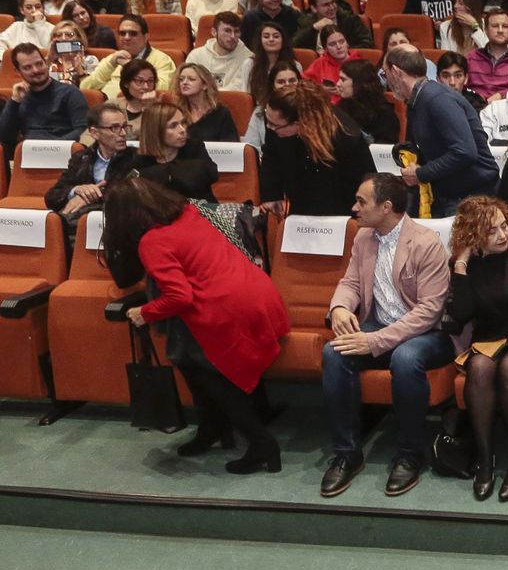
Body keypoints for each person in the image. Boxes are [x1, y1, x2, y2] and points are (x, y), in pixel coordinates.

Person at [107, 178, 288, 474]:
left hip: (226, 307)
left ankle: (261, 444)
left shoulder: (152, 241)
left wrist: (145, 312)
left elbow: (179, 296)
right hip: (255, 293)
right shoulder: (190, 212)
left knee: (209, 373)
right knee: (189, 362)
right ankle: (212, 428)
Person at [320, 173, 455, 498]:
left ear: (387, 206)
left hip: (426, 333)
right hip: (378, 325)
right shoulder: (364, 238)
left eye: (361, 202)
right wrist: (339, 308)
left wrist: (374, 341)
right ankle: (346, 453)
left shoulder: (425, 243)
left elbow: (429, 312)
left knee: (406, 358)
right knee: (333, 352)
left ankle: (410, 455)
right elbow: (351, 283)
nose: (354, 208)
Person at [447, 196, 508, 502]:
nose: (503, 235)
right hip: (488, 338)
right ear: (474, 235)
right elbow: (461, 314)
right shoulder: (470, 265)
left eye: (504, 226)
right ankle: (485, 461)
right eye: (492, 231)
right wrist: (460, 264)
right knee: (479, 366)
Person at [384, 45, 499, 215]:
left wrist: (421, 173)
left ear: (395, 71)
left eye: (385, 73)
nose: (385, 79)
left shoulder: (438, 99)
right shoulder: (417, 100)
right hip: (451, 192)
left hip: (475, 197)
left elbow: (465, 151)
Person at [259, 82, 376, 216]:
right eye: (267, 119)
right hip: (299, 202)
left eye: (274, 125)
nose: (269, 127)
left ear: (300, 123)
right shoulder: (276, 122)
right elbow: (271, 156)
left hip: (340, 207)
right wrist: (271, 194)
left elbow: (363, 181)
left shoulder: (346, 136)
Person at [46, 102, 136, 228]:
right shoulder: (81, 158)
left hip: (117, 224)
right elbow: (51, 197)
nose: (123, 133)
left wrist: (88, 198)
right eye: (114, 128)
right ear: (95, 133)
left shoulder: (135, 158)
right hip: (79, 225)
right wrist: (76, 190)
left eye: (125, 126)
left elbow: (130, 196)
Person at [0, 43, 89, 148]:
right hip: (28, 155)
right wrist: (14, 101)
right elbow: (4, 137)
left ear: (45, 63)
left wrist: (48, 148)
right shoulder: (19, 98)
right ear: (18, 71)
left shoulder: (70, 93)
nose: (36, 70)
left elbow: (83, 131)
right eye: (28, 67)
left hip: (64, 153)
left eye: (39, 64)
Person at [131, 102, 218, 200]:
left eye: (183, 123)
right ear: (155, 130)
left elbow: (212, 174)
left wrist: (167, 175)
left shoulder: (193, 147)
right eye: (173, 126)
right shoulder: (140, 160)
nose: (182, 130)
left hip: (199, 209)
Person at [82, 15, 177, 93]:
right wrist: (110, 65)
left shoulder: (162, 60)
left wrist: (132, 68)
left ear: (146, 37)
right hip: (105, 109)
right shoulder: (113, 59)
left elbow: (163, 89)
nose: (126, 38)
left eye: (133, 33)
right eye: (122, 33)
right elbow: (85, 87)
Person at [337, 58, 401, 144]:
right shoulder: (341, 108)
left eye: (343, 80)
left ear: (358, 83)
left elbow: (385, 151)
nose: (338, 84)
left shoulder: (384, 115)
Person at [174, 62, 240, 143]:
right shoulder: (175, 112)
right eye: (181, 79)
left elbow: (231, 146)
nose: (184, 82)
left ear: (205, 85)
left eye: (191, 79)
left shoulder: (221, 113)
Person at [188, 10, 253, 92]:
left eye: (236, 31)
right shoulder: (196, 56)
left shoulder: (248, 58)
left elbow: (241, 91)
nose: (233, 36)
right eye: (227, 31)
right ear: (214, 32)